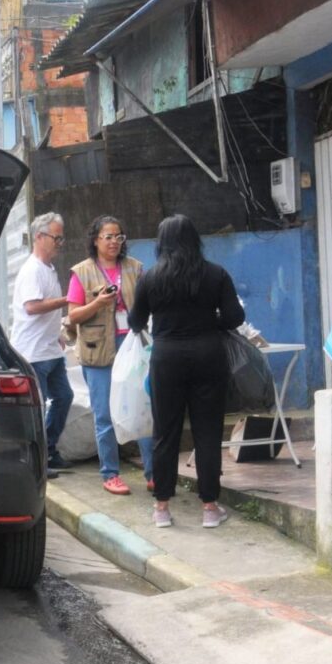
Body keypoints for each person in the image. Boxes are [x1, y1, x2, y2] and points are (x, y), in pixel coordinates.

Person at [128, 215, 245, 529]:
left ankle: (162, 508)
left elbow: (135, 322)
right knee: (207, 432)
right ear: (195, 240)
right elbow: (235, 316)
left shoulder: (150, 278)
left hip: (166, 359)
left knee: (166, 433)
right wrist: (210, 324)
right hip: (209, 356)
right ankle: (209, 508)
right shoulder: (215, 274)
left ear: (161, 242)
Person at [66, 215, 154, 495]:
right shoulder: (81, 272)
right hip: (98, 350)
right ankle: (110, 474)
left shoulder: (135, 269)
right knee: (103, 414)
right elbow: (73, 315)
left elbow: (147, 305)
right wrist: (98, 302)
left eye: (119, 237)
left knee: (143, 408)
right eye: (108, 237)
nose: (114, 242)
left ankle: (153, 472)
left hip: (133, 347)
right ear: (95, 240)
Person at [11, 212, 74, 478]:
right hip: (33, 353)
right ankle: (37, 461)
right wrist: (67, 300)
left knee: (64, 397)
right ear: (39, 237)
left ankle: (48, 449)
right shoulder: (31, 270)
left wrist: (58, 332)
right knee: (38, 408)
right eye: (55, 237)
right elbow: (32, 306)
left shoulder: (48, 269)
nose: (59, 243)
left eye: (61, 238)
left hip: (51, 349)